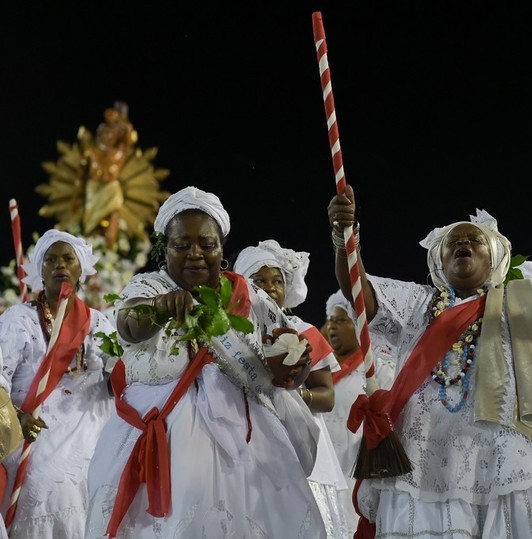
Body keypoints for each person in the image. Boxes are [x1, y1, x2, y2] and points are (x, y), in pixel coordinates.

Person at [327, 181, 532, 538]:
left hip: (507, 456)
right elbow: (358, 291)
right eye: (453, 242)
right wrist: (345, 235)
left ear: (494, 259)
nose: (463, 245)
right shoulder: (417, 302)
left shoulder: (525, 302)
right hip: (425, 459)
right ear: (439, 261)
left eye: (474, 241)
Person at [85, 186, 327, 538]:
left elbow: (292, 354)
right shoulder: (150, 286)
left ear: (221, 249)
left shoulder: (250, 296)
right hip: (163, 434)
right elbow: (128, 324)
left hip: (250, 437)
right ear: (164, 249)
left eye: (207, 245)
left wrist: (295, 367)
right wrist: (159, 309)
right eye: (182, 245)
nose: (195, 254)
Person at [0, 230, 118, 537]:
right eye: (51, 260)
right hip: (33, 430)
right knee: (50, 486)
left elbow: (119, 376)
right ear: (40, 271)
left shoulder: (99, 323)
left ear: (81, 269)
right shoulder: (19, 320)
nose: (60, 266)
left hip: (89, 428)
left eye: (68, 259)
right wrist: (16, 417)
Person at [233, 239, 351, 538]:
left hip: (300, 438)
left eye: (278, 281)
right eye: (259, 280)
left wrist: (294, 393)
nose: (271, 288)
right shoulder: (232, 334)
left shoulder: (305, 331)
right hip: (247, 440)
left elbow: (326, 397)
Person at [321, 290, 396, 532]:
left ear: (358, 326)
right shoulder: (318, 371)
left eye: (341, 320)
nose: (332, 326)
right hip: (322, 470)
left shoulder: (378, 371)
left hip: (354, 473)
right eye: (330, 320)